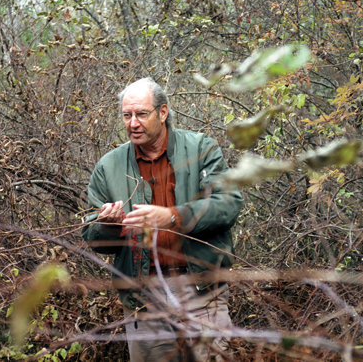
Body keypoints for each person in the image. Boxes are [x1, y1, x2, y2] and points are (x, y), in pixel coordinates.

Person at [81, 78, 243, 362]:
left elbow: (228, 205)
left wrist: (172, 216)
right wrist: (109, 224)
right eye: (127, 115)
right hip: (143, 299)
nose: (133, 123)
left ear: (163, 113)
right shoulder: (109, 166)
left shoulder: (200, 149)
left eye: (141, 114)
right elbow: (93, 238)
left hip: (201, 290)